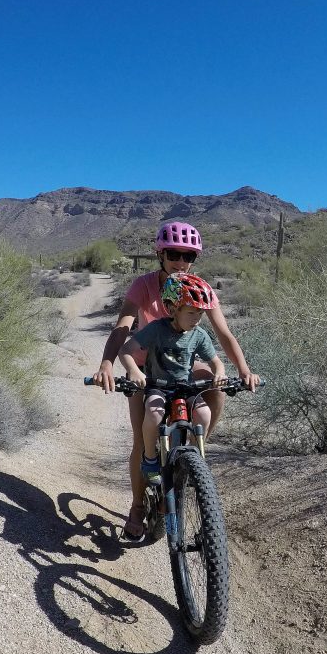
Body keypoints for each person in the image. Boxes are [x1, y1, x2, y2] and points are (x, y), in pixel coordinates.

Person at [91, 221, 259, 539]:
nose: (181, 262)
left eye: (188, 256)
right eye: (174, 254)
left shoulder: (197, 287)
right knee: (143, 441)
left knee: (213, 383)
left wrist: (243, 369)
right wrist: (107, 364)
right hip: (146, 367)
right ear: (160, 253)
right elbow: (123, 326)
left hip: (184, 365)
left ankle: (194, 452)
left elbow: (222, 334)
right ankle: (139, 506)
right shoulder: (144, 285)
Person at [117, 272, 225, 540]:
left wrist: (220, 371)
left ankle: (193, 461)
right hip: (158, 387)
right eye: (191, 312)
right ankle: (151, 461)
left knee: (203, 412)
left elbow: (215, 361)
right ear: (172, 308)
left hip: (185, 389)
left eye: (200, 313)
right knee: (153, 414)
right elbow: (126, 351)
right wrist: (134, 371)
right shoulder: (157, 329)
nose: (197, 318)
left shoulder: (198, 334)